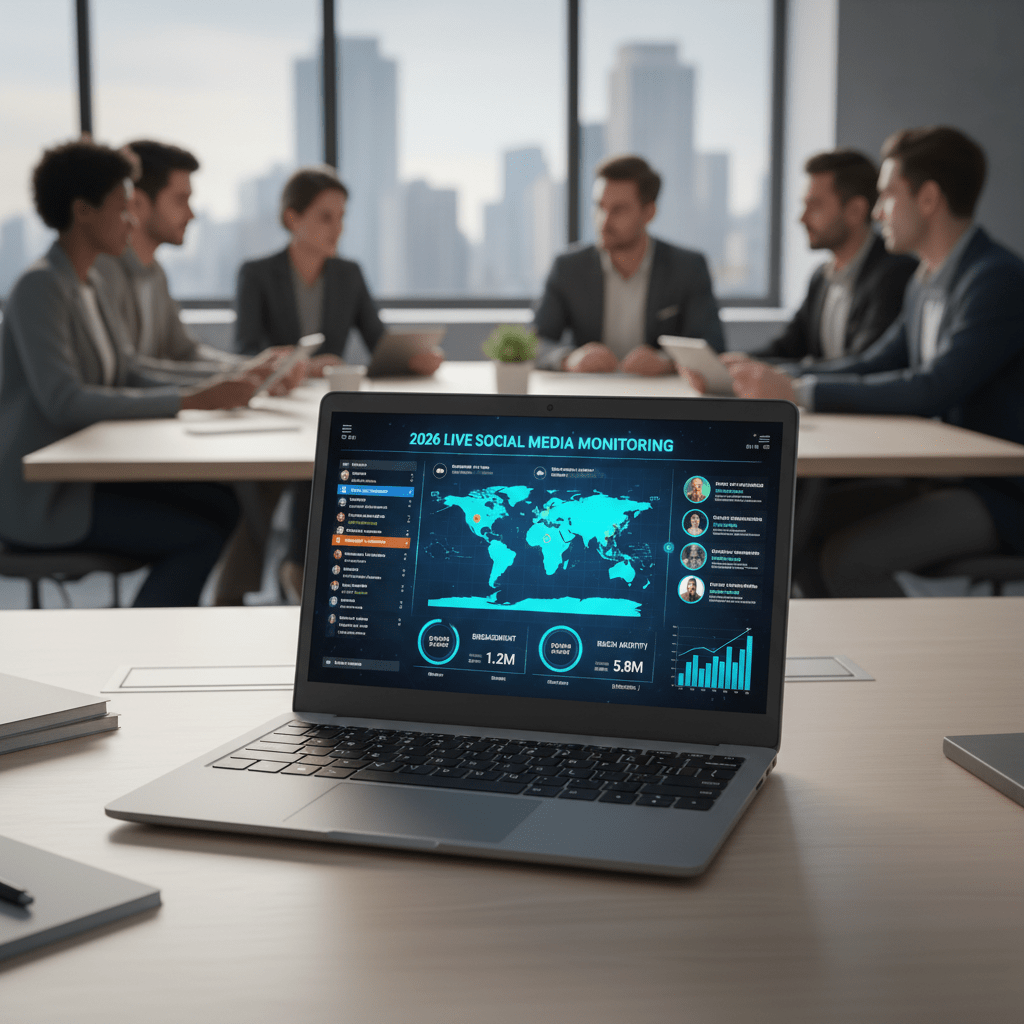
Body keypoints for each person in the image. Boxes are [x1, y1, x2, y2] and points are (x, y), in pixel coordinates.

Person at [724, 127, 1024, 596]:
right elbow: (873, 362)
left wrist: (799, 391)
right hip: (937, 479)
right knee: (794, 524)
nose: (878, 210)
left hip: (997, 493)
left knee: (848, 561)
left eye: (886, 195)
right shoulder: (926, 280)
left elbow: (933, 386)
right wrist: (784, 378)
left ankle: (910, 667)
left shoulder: (996, 280)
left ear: (928, 198)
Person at [0, 141, 261, 606]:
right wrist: (189, 401)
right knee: (198, 534)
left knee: (223, 503)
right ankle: (143, 641)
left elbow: (129, 369)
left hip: (83, 477)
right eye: (122, 210)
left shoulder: (90, 282)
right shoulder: (39, 287)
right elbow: (64, 400)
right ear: (83, 211)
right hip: (43, 497)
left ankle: (162, 628)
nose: (131, 221)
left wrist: (211, 390)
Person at [94, 139, 301, 605]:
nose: (191, 213)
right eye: (181, 199)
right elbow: (131, 369)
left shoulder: (153, 275)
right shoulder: (103, 273)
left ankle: (224, 604)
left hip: (150, 433)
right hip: (116, 449)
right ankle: (175, 624)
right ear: (138, 203)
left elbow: (184, 351)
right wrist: (212, 390)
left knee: (232, 498)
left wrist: (249, 369)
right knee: (224, 503)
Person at [235, 166, 443, 601]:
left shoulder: (348, 273)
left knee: (338, 454)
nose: (338, 228)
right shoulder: (256, 273)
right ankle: (252, 582)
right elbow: (246, 350)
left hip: (325, 407)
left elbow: (376, 342)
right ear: (293, 219)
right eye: (326, 217)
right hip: (278, 408)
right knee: (278, 475)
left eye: (342, 216)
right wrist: (304, 367)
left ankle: (301, 569)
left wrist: (411, 359)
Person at [533, 155, 725, 374]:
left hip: (660, 398)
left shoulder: (688, 268)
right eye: (599, 206)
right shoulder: (568, 268)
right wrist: (568, 359)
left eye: (619, 209)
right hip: (589, 396)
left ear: (648, 213)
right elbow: (535, 342)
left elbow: (712, 347)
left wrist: (666, 362)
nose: (603, 221)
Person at [750, 149, 917, 365]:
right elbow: (787, 348)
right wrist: (735, 365)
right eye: (804, 205)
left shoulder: (895, 273)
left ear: (856, 211)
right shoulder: (821, 277)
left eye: (815, 206)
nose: (802, 218)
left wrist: (791, 379)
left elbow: (865, 365)